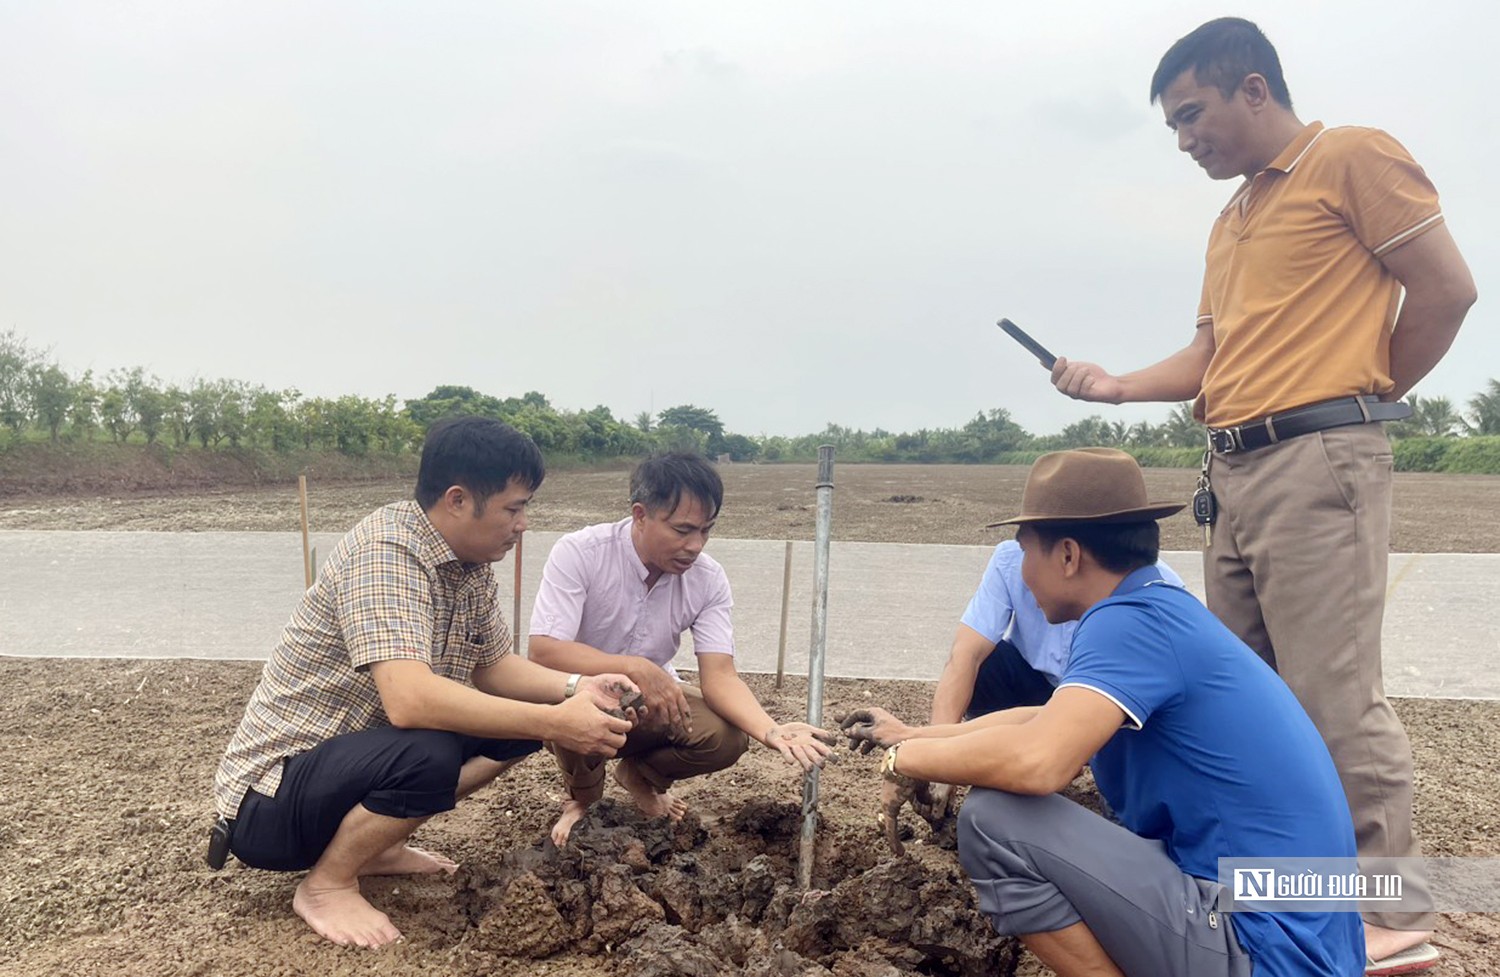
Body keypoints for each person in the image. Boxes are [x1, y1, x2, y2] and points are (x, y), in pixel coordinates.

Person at [1046, 18, 1475, 970]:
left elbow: (1446, 288)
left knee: (1331, 693)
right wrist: (1114, 385)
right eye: (1172, 126)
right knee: (1248, 696)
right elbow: (1210, 356)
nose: (1187, 138)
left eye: (1193, 114)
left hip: (1317, 459)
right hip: (1232, 466)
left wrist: (1359, 399)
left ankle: (1383, 915)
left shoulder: (1350, 157)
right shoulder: (1230, 219)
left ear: (1252, 88)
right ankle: (1279, 900)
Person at [842, 448, 1365, 977]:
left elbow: (1040, 763)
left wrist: (904, 762)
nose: (1021, 572)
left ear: (1068, 555)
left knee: (994, 819)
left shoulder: (1126, 623)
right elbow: (1042, 718)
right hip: (1300, 925)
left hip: (1266, 945)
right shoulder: (1161, 607)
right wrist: (914, 736)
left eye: (1025, 552)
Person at [211, 416, 642, 949]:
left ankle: (375, 847)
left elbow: (493, 667)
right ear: (458, 500)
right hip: (271, 804)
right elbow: (409, 700)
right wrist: (557, 721)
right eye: (514, 507)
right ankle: (327, 884)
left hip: (346, 772)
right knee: (429, 749)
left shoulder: (468, 562)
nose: (523, 524)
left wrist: (578, 688)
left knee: (518, 723)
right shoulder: (387, 553)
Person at [528, 451, 834, 846]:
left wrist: (770, 730)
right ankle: (583, 800)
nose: (695, 545)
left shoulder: (707, 579)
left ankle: (641, 777)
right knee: (591, 703)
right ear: (641, 515)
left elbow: (720, 675)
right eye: (682, 530)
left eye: (706, 530)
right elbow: (544, 652)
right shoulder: (581, 553)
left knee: (728, 735)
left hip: (650, 702)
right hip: (578, 695)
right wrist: (634, 667)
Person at [917, 541, 1183, 820]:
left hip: (1113, 701)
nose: (1025, 569)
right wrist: (937, 759)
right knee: (985, 664)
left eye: (1031, 550)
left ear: (1069, 555)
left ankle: (1102, 775)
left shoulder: (1151, 589)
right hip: (1044, 687)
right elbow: (964, 656)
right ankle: (1015, 759)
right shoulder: (1010, 560)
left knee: (1126, 816)